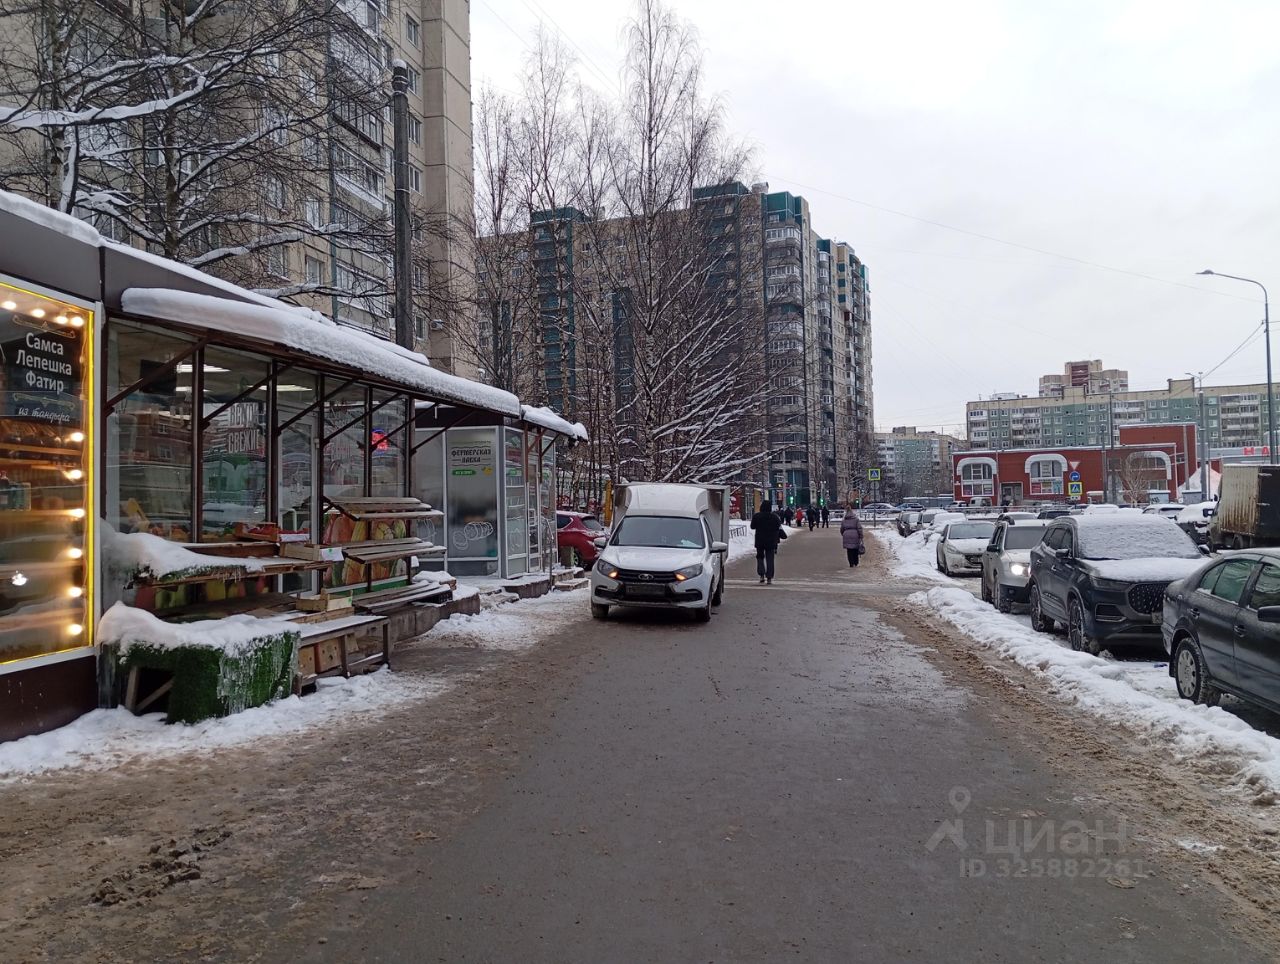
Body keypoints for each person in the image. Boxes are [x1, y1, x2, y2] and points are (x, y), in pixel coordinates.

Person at [750, 499, 787, 584]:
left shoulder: (757, 516)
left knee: (760, 557)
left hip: (760, 540)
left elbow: (752, 526)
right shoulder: (774, 517)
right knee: (770, 558)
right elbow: (778, 526)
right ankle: (769, 577)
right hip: (771, 540)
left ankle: (761, 575)